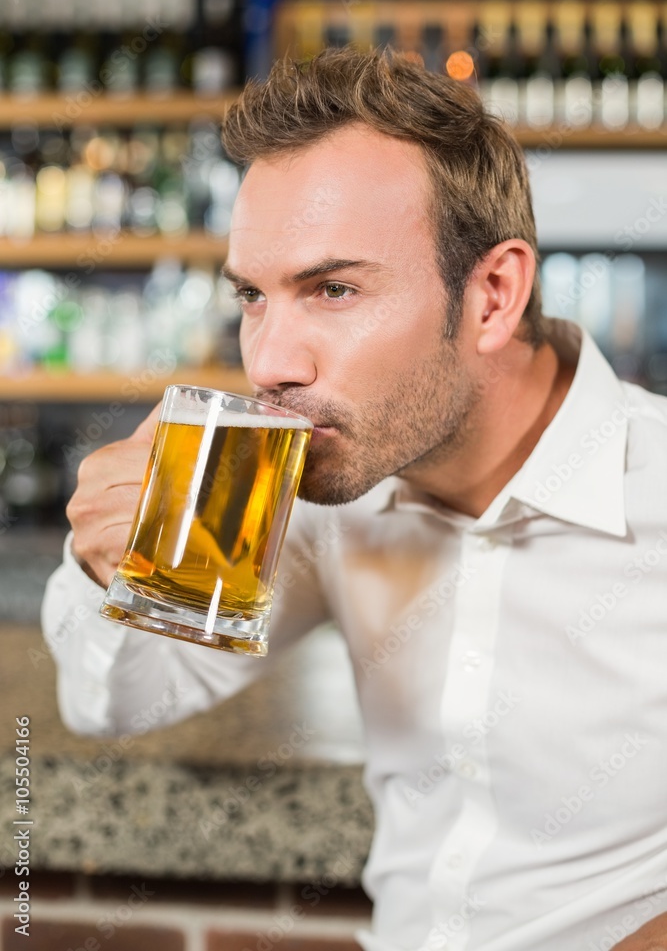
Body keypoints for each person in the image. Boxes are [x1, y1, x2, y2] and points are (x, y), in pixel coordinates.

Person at [43, 47, 667, 951]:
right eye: (253, 297)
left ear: (492, 294)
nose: (270, 365)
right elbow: (117, 705)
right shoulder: (317, 500)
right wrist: (112, 566)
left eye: (333, 289)